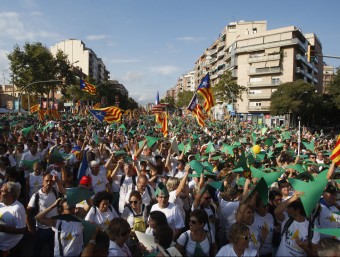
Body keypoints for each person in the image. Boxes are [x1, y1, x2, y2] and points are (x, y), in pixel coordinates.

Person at [26, 173, 65, 257]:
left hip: (54, 228)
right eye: (46, 181)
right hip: (41, 229)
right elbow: (28, 213)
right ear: (42, 182)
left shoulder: (55, 191)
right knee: (37, 251)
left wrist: (57, 181)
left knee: (53, 251)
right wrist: (30, 229)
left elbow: (63, 190)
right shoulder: (36, 196)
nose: (49, 183)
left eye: (51, 181)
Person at [274, 191, 320, 256]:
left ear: (297, 210)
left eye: (289, 208)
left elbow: (315, 254)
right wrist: (293, 198)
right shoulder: (286, 219)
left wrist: (304, 247)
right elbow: (276, 211)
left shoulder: (313, 229)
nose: (286, 209)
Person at [0, 182, 26, 257]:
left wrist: (3, 229)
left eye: (3, 191)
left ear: (11, 194)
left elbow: (22, 230)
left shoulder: (17, 208)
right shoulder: (1, 204)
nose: (0, 192)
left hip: (10, 247)